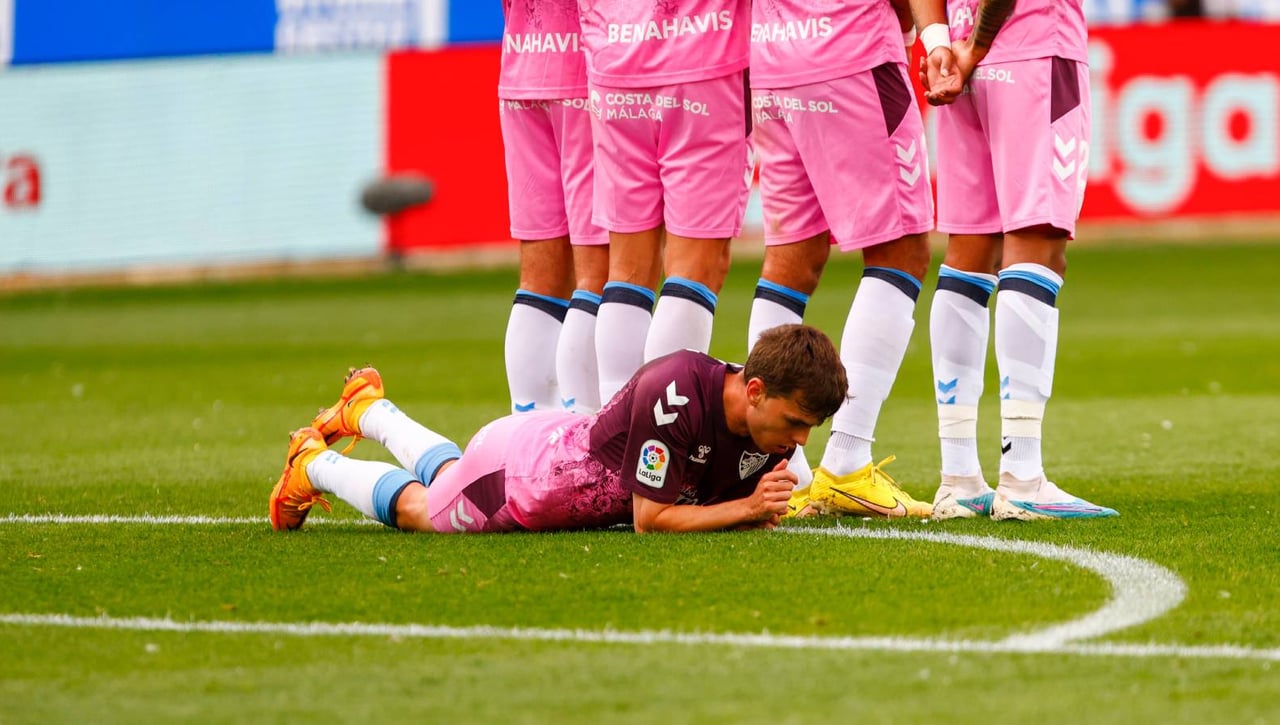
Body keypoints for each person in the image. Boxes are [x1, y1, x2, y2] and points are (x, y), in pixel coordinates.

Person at [268, 324, 848, 534]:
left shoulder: (761, 427)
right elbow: (652, 520)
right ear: (755, 391)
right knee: (423, 511)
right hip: (524, 478)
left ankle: (367, 409)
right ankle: (312, 463)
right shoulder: (676, 397)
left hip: (545, 446)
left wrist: (755, 502)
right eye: (796, 423)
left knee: (448, 476)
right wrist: (746, 509)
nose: (800, 442)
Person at [746, 0, 953, 519]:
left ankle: (778, 467)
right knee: (900, 249)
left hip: (772, 60)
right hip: (849, 52)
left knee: (790, 258)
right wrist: (933, 38)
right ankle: (847, 460)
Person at [921, 0, 1117, 520]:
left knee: (969, 253)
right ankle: (1023, 475)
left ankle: (959, 477)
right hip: (1031, 48)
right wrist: (975, 48)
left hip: (960, 63)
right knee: (1038, 246)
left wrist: (941, 44)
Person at [577, 0, 753, 404]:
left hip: (614, 56)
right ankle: (658, 437)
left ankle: (613, 436)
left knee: (627, 271)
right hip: (701, 55)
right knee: (695, 269)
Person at [499, 0, 609, 415]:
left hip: (521, 62)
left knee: (539, 278)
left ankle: (527, 432)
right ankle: (588, 438)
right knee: (601, 273)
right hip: (587, 70)